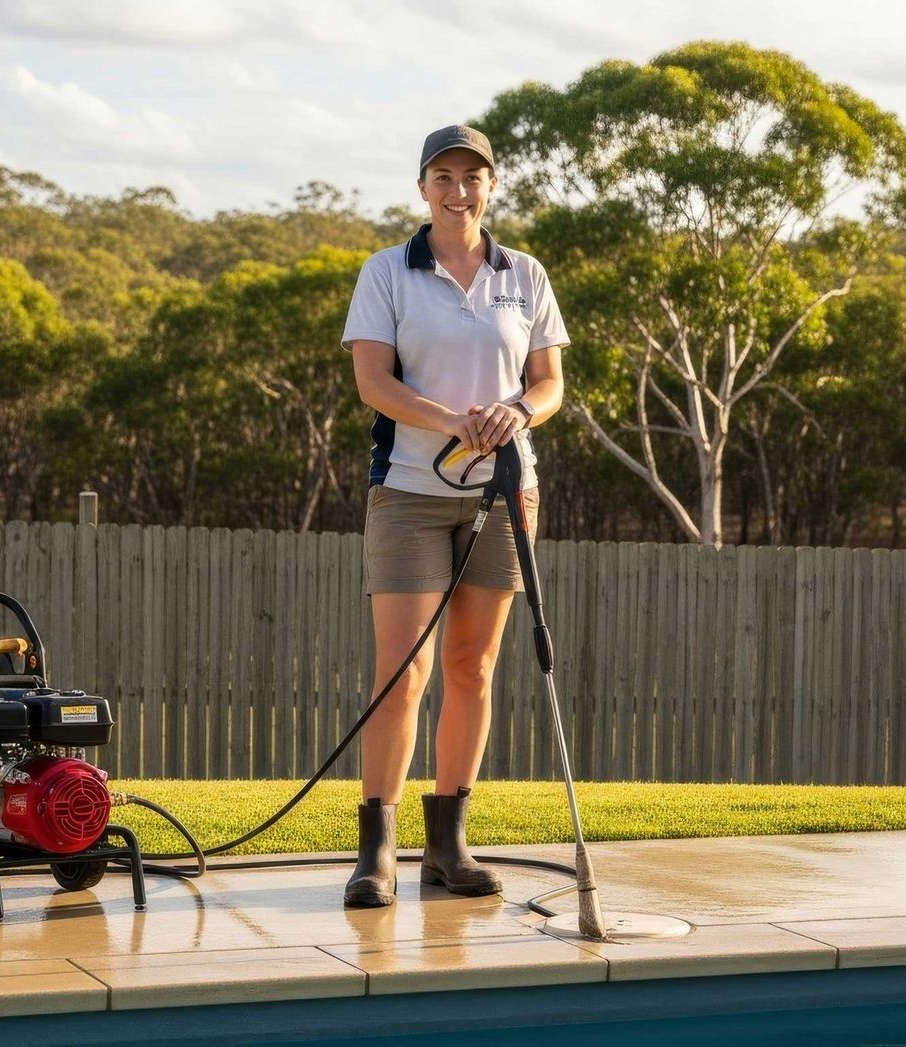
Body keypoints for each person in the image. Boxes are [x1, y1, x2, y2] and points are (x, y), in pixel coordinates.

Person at [337, 125, 568, 908]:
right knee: (403, 674)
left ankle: (448, 847)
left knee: (472, 668)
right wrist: (449, 419)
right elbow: (374, 382)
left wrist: (514, 415)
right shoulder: (387, 273)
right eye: (444, 175)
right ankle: (377, 850)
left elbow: (548, 384)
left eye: (473, 177)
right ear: (423, 186)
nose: (458, 189)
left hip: (503, 494)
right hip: (408, 494)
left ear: (492, 186)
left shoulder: (524, 275)